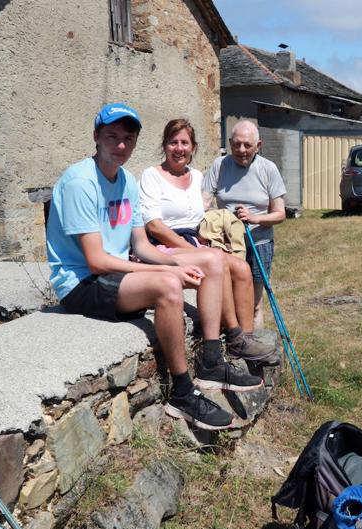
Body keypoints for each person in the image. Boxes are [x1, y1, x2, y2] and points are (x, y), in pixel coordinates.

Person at [45, 103, 261, 431]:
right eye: (112, 137)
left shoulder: (126, 181)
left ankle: (213, 361)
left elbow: (142, 246)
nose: (120, 145)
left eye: (127, 139)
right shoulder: (81, 181)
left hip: (117, 270)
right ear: (96, 137)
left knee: (213, 260)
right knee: (169, 286)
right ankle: (183, 394)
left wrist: (178, 260)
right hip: (81, 283)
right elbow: (96, 260)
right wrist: (168, 272)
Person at [137, 118, 276, 363]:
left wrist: (217, 228)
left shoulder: (196, 176)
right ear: (165, 145)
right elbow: (154, 225)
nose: (179, 148)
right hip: (164, 244)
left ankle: (245, 341)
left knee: (242, 269)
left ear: (193, 147)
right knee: (215, 261)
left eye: (185, 143)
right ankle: (234, 337)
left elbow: (202, 212)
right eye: (173, 142)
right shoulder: (152, 176)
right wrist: (189, 247)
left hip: (193, 241)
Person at [202, 120, 286, 330]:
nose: (241, 150)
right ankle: (233, 350)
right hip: (227, 246)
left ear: (258, 146)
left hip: (258, 243)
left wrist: (255, 218)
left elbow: (280, 213)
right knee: (228, 303)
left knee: (254, 305)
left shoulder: (268, 169)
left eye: (247, 145)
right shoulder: (219, 165)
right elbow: (202, 203)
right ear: (229, 143)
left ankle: (253, 352)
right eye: (236, 144)